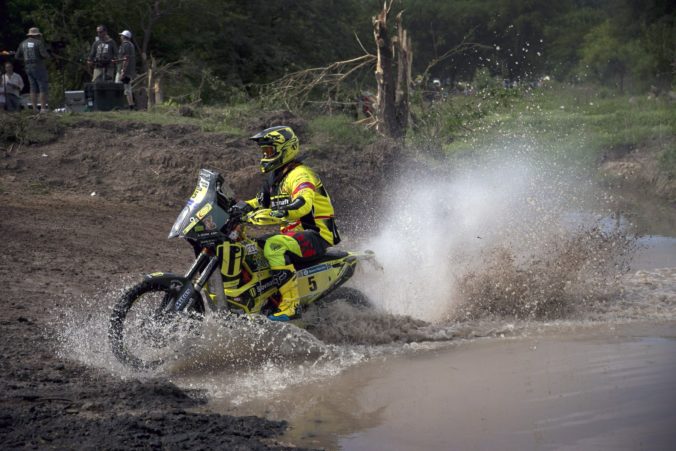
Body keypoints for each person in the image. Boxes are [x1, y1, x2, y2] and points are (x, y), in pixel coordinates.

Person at [230, 126, 341, 321]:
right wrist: (233, 207)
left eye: (269, 150)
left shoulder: (301, 174)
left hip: (316, 235)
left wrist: (275, 213)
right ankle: (263, 300)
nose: (265, 155)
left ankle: (291, 306)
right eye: (264, 151)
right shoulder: (275, 177)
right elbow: (257, 202)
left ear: (286, 148)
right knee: (252, 248)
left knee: (274, 246)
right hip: (293, 237)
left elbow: (303, 202)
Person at [15, 27, 49, 112]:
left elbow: (17, 56)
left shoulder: (23, 43)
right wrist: (48, 55)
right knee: (42, 87)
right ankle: (43, 108)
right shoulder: (38, 43)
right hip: (38, 66)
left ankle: (34, 108)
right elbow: (44, 55)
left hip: (27, 67)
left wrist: (25, 60)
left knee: (32, 87)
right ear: (37, 35)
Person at [115, 30, 136, 109]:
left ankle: (117, 105)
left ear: (124, 37)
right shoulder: (131, 45)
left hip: (124, 70)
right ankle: (131, 105)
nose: (120, 37)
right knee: (127, 88)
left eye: (121, 36)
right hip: (129, 71)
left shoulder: (125, 45)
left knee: (117, 87)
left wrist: (122, 71)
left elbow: (125, 59)